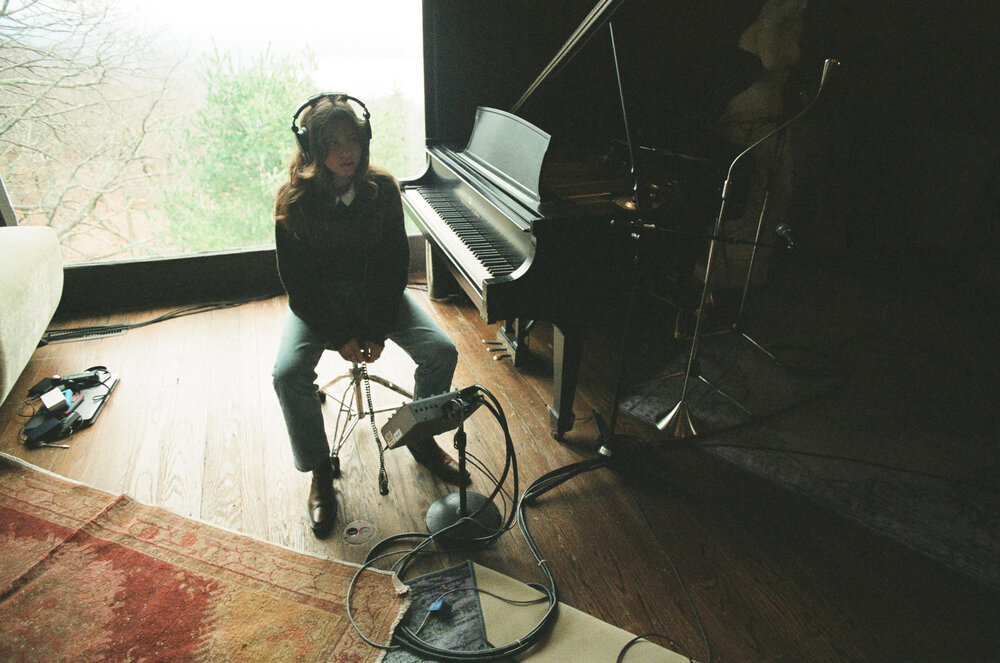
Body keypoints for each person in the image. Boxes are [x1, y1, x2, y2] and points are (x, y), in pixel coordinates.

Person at [271, 93, 466, 539]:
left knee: (441, 352)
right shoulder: (293, 200)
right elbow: (299, 286)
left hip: (378, 297)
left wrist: (376, 329)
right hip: (320, 306)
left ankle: (421, 439)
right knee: (287, 374)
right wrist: (341, 335)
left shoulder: (382, 189)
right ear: (311, 149)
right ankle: (320, 470)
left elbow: (394, 266)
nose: (347, 152)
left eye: (353, 140)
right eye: (332, 143)